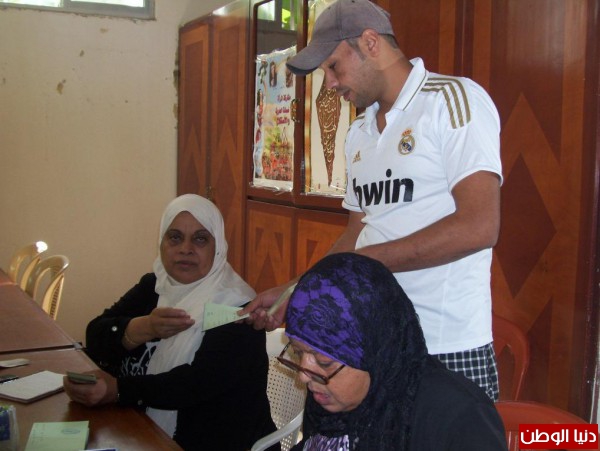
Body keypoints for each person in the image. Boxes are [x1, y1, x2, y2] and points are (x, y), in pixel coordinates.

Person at [242, 0, 503, 400]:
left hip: (445, 344)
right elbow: (358, 232)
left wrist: (364, 264)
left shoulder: (451, 100)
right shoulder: (359, 132)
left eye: (334, 66)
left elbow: (479, 226)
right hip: (374, 338)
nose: (330, 84)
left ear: (370, 43)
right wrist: (295, 289)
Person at [64, 194, 278, 451]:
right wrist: (143, 328)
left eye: (200, 239)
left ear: (218, 247)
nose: (186, 249)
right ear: (162, 242)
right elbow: (96, 334)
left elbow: (196, 384)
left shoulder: (236, 306)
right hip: (140, 430)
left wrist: (118, 390)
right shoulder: (155, 286)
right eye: (175, 237)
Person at [280, 252, 507, 450]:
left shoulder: (458, 418)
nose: (303, 376)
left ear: (375, 353)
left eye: (324, 362)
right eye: (298, 353)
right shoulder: (330, 397)